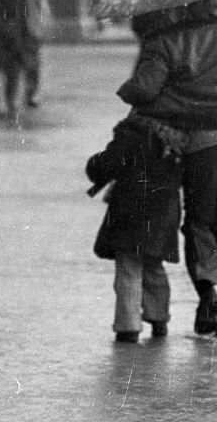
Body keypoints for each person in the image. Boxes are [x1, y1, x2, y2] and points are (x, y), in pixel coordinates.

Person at [117, 0, 217, 340]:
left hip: (201, 141)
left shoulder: (167, 39)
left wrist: (126, 89)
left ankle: (209, 291)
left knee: (201, 223)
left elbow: (144, 89)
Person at [85, 108, 184, 344]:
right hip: (164, 210)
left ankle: (128, 326)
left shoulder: (133, 131)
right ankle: (159, 317)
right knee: (153, 265)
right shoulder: (180, 133)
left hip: (131, 208)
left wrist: (93, 165)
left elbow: (109, 164)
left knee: (129, 267)